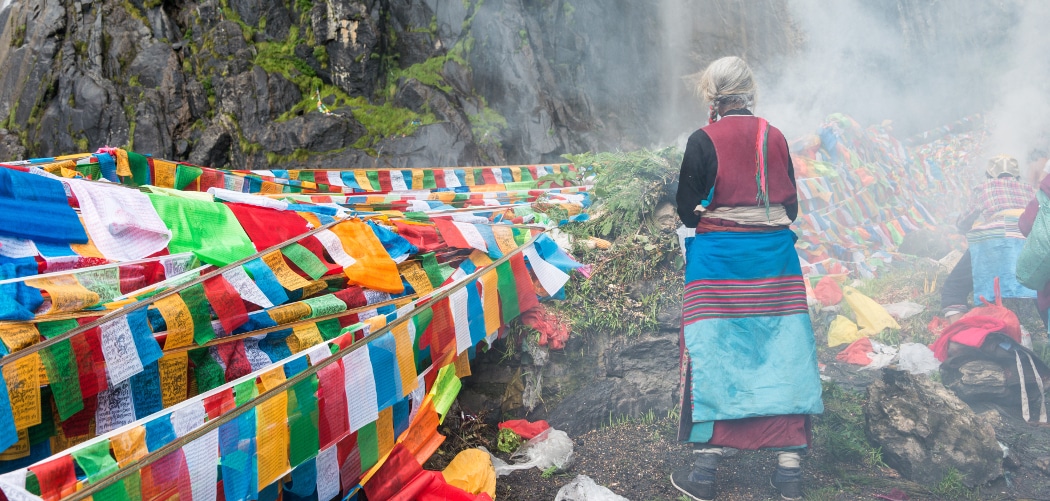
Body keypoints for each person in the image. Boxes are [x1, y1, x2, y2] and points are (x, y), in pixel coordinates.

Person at [671, 56, 823, 501]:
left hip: (718, 265)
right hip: (774, 261)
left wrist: (715, 212)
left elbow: (686, 211)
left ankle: (705, 472)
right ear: (750, 91)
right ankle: (790, 474)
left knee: (715, 349)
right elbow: (791, 208)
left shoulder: (702, 140)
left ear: (712, 95)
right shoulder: (774, 136)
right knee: (782, 350)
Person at [941, 155, 1036, 322]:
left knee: (953, 287)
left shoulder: (983, 188)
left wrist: (966, 231)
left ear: (989, 175)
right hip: (1028, 239)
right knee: (1040, 286)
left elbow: (964, 221)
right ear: (1017, 176)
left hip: (993, 239)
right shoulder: (1030, 190)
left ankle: (959, 329)